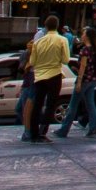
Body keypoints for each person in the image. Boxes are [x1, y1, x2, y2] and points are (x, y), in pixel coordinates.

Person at [25, 13, 69, 142]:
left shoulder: (38, 42)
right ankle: (42, 132)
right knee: (50, 104)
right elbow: (66, 60)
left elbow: (32, 62)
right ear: (58, 26)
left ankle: (33, 133)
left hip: (39, 76)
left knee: (37, 104)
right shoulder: (62, 40)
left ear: (45, 26)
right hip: (55, 74)